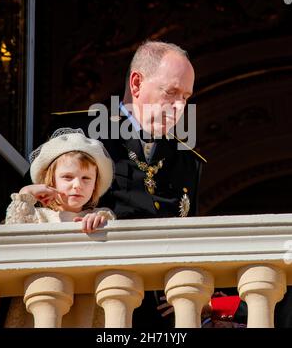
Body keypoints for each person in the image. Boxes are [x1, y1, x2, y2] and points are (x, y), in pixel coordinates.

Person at [49, 40, 206, 327]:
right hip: (92, 306)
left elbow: (187, 241)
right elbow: (30, 213)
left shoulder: (187, 160)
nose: (180, 106)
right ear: (136, 84)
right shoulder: (78, 135)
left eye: (186, 96)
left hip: (159, 320)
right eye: (171, 92)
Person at [4, 127, 115, 327]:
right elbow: (12, 235)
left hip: (85, 310)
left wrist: (99, 221)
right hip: (39, 306)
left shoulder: (99, 215)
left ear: (95, 185)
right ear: (51, 180)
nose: (77, 185)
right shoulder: (38, 216)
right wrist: (26, 194)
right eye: (67, 177)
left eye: (86, 178)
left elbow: (111, 229)